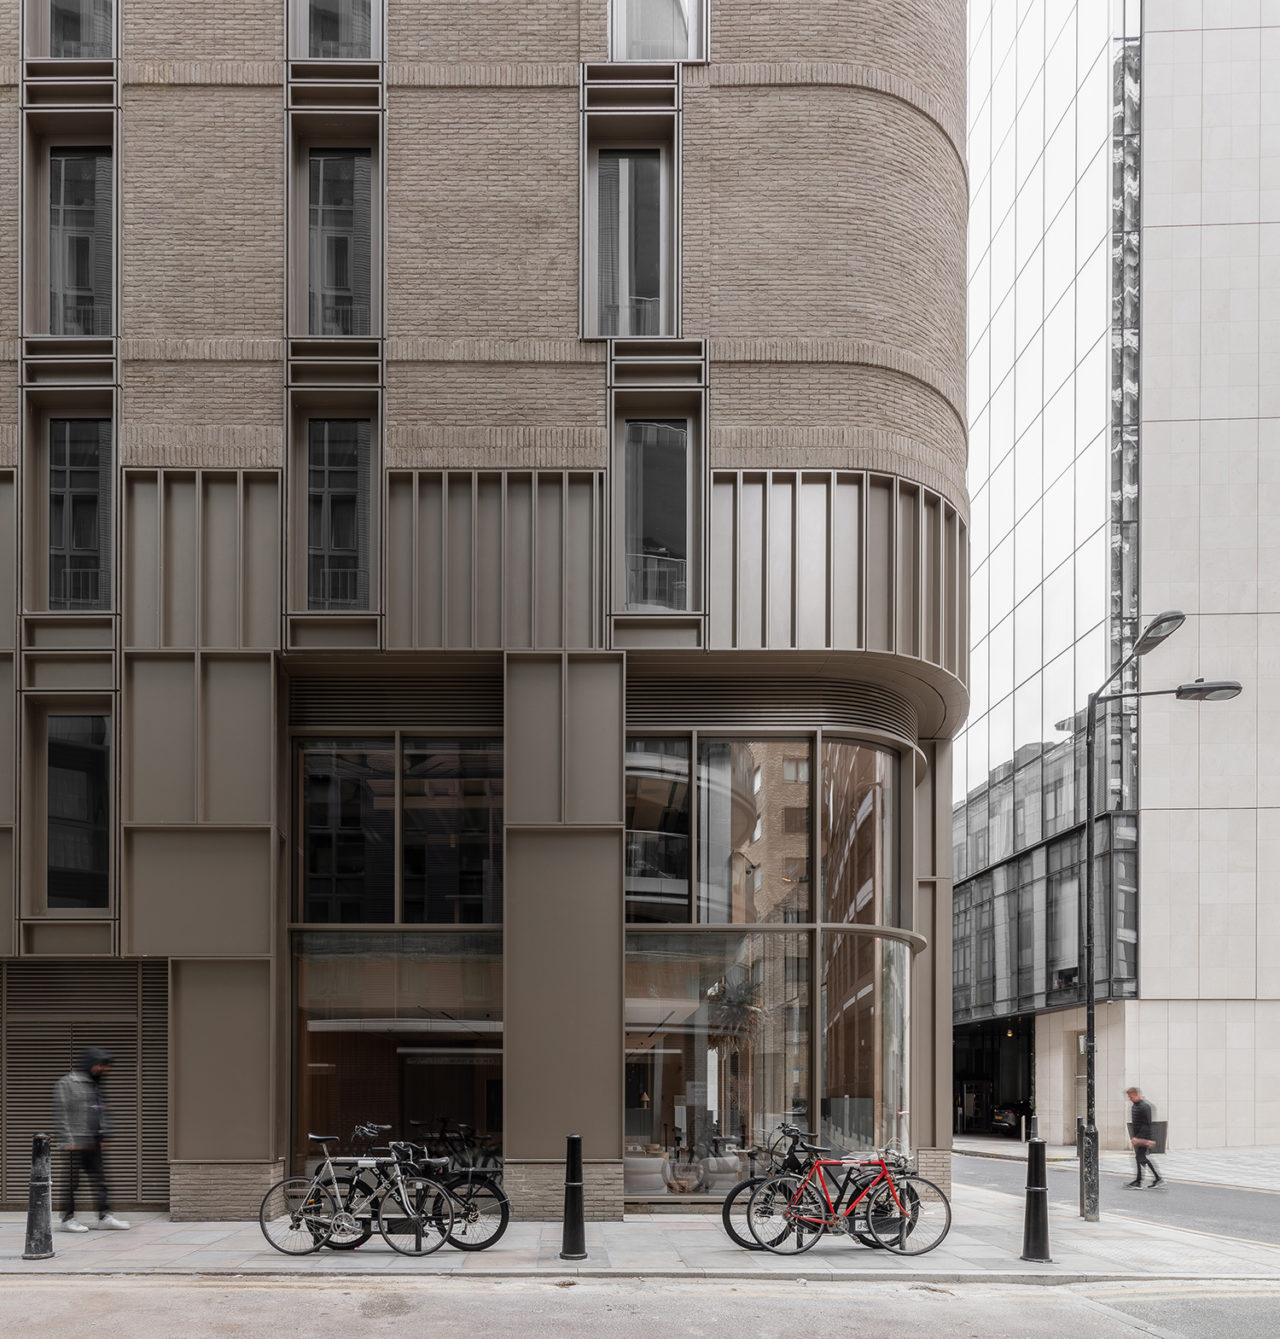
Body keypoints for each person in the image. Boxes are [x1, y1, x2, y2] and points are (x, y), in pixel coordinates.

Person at [51, 1047, 131, 1231]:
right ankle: (67, 1219)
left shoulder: (95, 1083)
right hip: (75, 1143)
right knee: (72, 1182)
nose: (103, 1069)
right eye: (101, 1064)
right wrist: (67, 1140)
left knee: (101, 1180)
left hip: (93, 1141)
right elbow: (60, 1112)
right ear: (90, 1062)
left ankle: (105, 1217)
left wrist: (104, 1134)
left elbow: (102, 1110)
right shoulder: (67, 1083)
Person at [1125, 1085, 1163, 1189]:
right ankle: (1140, 1180)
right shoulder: (1135, 1106)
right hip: (1138, 1137)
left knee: (1141, 1157)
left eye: (1131, 1096)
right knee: (1139, 1157)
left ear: (1136, 1095)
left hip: (1144, 1137)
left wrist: (1144, 1139)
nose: (1130, 1099)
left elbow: (1147, 1124)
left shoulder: (1145, 1106)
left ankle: (1156, 1178)